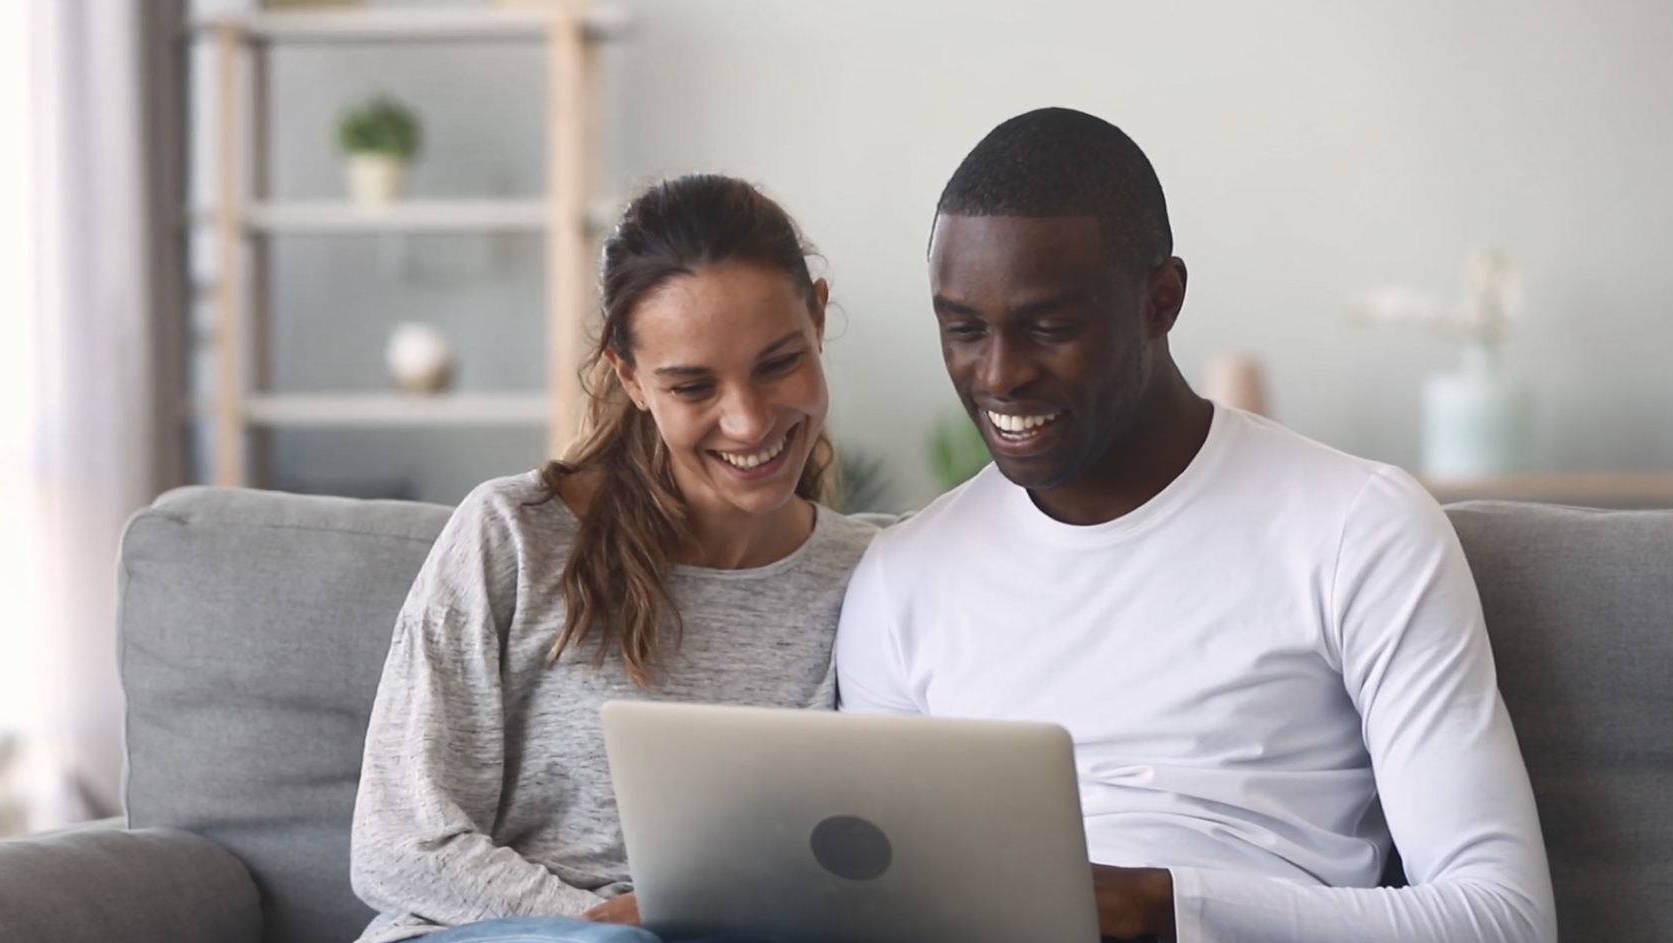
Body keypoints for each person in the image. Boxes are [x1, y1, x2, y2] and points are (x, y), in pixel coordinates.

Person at [835, 108, 1556, 942]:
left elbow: (1503, 920)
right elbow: (873, 901)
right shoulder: (900, 578)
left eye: (1049, 327)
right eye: (962, 329)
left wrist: (1158, 908)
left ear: (1160, 300)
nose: (997, 375)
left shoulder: (1358, 529)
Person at [350, 174, 879, 943]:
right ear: (630, 377)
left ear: (819, 317)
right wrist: (631, 923)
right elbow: (398, 846)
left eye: (777, 363)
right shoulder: (515, 536)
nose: (749, 419)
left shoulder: (875, 574)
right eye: (693, 385)